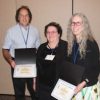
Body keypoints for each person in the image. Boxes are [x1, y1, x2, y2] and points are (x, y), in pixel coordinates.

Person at [2, 5, 40, 100]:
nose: (24, 18)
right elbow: (5, 49)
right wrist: (11, 61)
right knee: (19, 93)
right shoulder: (11, 31)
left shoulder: (35, 30)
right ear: (18, 17)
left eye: (26, 15)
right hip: (17, 64)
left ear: (30, 17)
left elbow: (38, 48)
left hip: (32, 63)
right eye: (21, 15)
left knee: (35, 91)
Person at [66, 13, 100, 100]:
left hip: (88, 87)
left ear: (85, 25)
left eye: (78, 23)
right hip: (75, 86)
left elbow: (96, 69)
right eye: (73, 23)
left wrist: (83, 83)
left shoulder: (91, 43)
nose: (74, 25)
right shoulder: (72, 43)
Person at [36, 22, 68, 100]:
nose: (50, 34)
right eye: (48, 32)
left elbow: (70, 67)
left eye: (53, 32)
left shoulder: (65, 46)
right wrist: (34, 82)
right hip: (42, 86)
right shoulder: (41, 47)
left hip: (59, 87)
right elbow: (36, 66)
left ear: (59, 34)